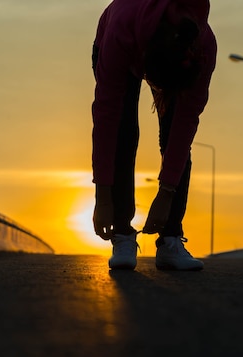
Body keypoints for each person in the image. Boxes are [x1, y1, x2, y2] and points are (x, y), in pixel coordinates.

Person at [91, 0, 216, 270]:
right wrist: (102, 197)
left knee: (172, 134)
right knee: (123, 133)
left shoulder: (203, 49)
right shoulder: (121, 30)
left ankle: (171, 239)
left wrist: (167, 193)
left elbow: (183, 130)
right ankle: (122, 234)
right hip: (117, 40)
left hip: (169, 56)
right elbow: (105, 122)